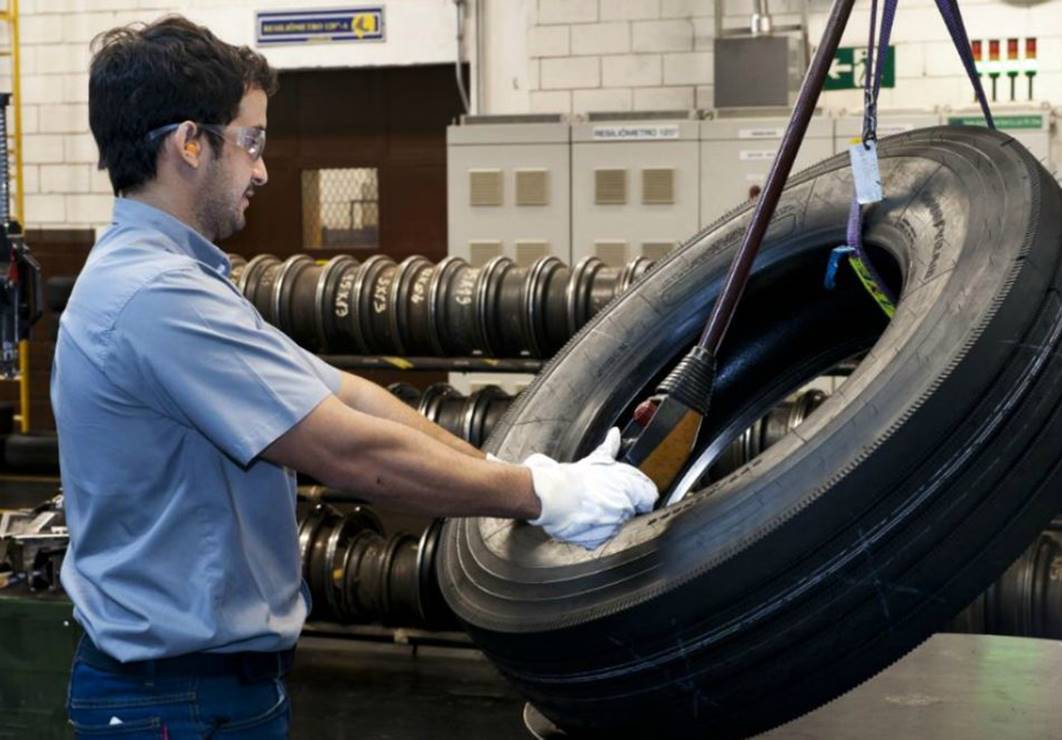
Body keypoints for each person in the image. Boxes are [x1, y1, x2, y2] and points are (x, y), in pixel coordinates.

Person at [52, 16, 656, 737]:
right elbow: (349, 452)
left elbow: (348, 393)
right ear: (189, 143)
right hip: (177, 701)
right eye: (251, 142)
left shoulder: (173, 282)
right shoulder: (158, 300)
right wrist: (537, 497)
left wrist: (506, 473)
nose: (263, 169)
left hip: (206, 691)